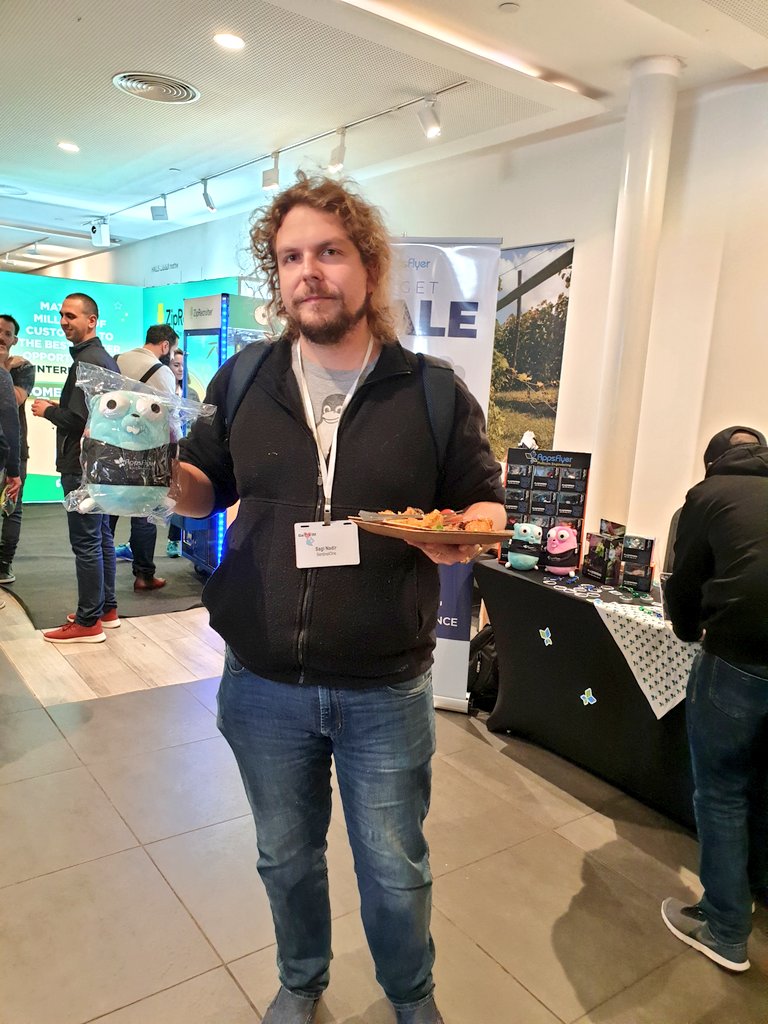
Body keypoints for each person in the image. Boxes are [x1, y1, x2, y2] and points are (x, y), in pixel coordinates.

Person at [173, 173, 505, 1024]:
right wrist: (148, 473)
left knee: (394, 867)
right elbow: (202, 489)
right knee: (285, 858)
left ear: (369, 267)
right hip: (261, 680)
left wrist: (469, 531)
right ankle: (302, 979)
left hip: (385, 684)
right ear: (276, 275)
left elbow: (483, 496)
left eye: (329, 252)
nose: (309, 272)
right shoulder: (244, 379)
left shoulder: (431, 391)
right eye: (291, 258)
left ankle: (411, 996)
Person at [661, 425, 768, 973]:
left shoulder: (708, 494)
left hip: (738, 658)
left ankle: (725, 928)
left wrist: (687, 630)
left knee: (721, 791)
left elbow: (683, 581)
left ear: (714, 460)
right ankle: (747, 892)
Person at [31, 292, 119, 643]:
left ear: (91, 321)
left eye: (71, 316)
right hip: (97, 465)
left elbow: (79, 420)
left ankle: (88, 622)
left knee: (87, 542)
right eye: (61, 315)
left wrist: (48, 411)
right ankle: (105, 609)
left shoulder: (89, 362)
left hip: (82, 466)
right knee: (101, 536)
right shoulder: (99, 358)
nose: (63, 322)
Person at [110, 324, 179, 590]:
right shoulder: (161, 372)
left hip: (112, 448)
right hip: (146, 451)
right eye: (172, 350)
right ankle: (144, 575)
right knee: (144, 512)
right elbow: (170, 417)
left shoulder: (117, 360)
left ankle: (101, 572)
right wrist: (176, 451)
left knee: (108, 510)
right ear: (165, 346)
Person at [0, 314, 35, 583]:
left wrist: (4, 368)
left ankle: (4, 564)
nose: (1, 337)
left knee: (12, 506)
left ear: (15, 339)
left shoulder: (23, 368)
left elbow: (14, 399)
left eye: (7, 333)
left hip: (14, 447)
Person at [166, 349, 199, 557]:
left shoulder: (191, 393)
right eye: (175, 365)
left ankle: (175, 539)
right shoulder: (164, 389)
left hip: (185, 450)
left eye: (182, 365)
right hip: (165, 449)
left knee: (180, 494)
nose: (179, 369)